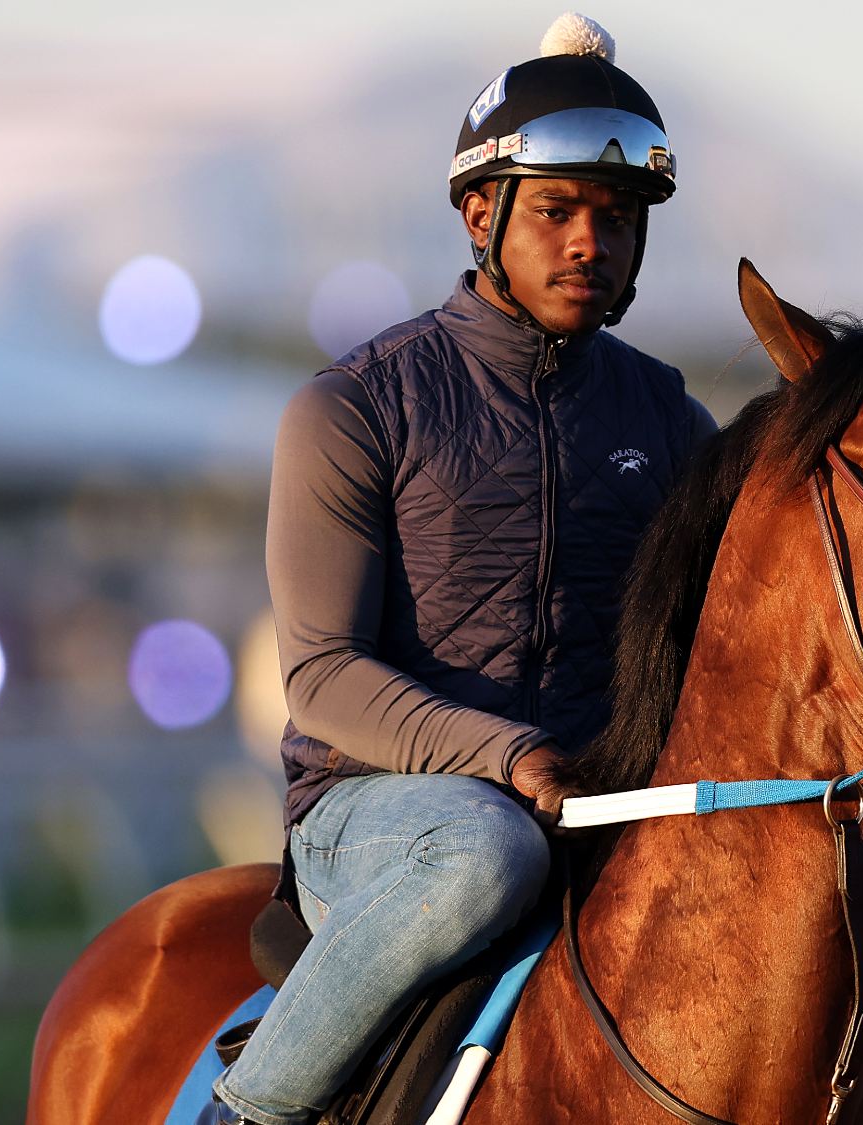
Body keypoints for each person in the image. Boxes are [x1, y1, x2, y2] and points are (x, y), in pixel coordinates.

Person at [205, 14, 716, 1124]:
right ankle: (245, 1114)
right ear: (480, 214)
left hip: (594, 801)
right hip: (379, 813)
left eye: (618, 220)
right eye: (557, 211)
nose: (591, 242)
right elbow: (323, 679)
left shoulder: (669, 420)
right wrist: (510, 754)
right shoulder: (352, 407)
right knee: (484, 850)